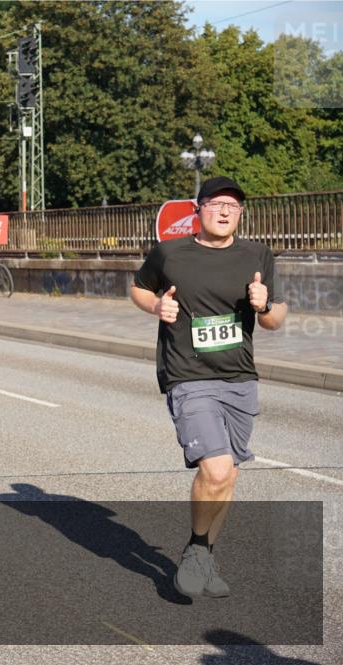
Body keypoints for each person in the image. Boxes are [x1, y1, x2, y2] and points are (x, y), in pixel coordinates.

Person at [129, 176, 287, 599]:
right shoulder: (170, 252)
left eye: (232, 207)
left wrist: (264, 304)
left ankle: (205, 554)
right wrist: (156, 306)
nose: (224, 212)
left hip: (239, 376)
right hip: (187, 374)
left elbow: (275, 319)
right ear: (198, 209)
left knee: (229, 474)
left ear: (240, 214)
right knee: (215, 468)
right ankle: (198, 549)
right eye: (216, 204)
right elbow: (139, 288)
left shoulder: (257, 254)